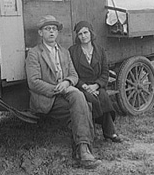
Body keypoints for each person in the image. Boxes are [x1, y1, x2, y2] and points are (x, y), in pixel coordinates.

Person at [25, 15, 102, 169]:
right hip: (47, 99)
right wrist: (56, 89)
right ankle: (83, 149)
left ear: (58, 33)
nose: (51, 32)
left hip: (65, 92)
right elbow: (33, 82)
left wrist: (66, 82)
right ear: (41, 33)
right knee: (83, 104)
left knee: (78, 98)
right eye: (47, 29)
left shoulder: (64, 52)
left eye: (54, 29)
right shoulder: (34, 53)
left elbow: (74, 75)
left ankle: (82, 148)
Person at [69, 21, 122, 143]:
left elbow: (105, 72)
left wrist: (96, 85)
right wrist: (85, 86)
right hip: (81, 85)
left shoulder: (100, 50)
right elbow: (72, 73)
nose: (83, 36)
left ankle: (109, 132)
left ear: (91, 33)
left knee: (103, 96)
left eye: (85, 32)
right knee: (90, 99)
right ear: (77, 36)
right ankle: (89, 133)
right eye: (80, 34)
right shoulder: (72, 51)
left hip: (96, 84)